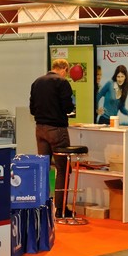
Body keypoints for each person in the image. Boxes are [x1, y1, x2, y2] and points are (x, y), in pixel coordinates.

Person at [29, 58, 76, 219]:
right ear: (64, 69)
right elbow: (68, 107)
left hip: (40, 130)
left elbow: (32, 109)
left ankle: (43, 206)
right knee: (63, 169)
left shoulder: (37, 82)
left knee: (44, 168)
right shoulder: (62, 82)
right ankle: (61, 209)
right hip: (57, 130)